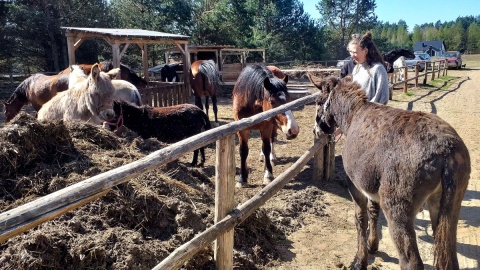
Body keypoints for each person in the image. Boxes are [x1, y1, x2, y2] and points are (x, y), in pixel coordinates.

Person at [347, 32, 389, 105]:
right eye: (350, 52)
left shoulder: (378, 69)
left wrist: (366, 112)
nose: (352, 56)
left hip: (372, 115)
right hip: (357, 115)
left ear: (366, 51)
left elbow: (382, 98)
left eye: (355, 52)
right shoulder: (356, 68)